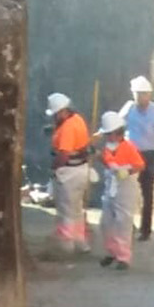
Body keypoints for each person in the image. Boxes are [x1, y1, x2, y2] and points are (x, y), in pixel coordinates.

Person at [95, 111, 145, 270]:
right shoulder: (109, 148)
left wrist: (126, 171)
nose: (108, 137)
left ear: (118, 133)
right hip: (112, 186)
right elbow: (108, 162)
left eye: (110, 134)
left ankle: (123, 257)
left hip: (126, 187)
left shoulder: (128, 147)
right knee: (106, 222)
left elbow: (139, 165)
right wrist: (98, 157)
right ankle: (111, 252)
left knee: (123, 222)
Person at [120, 76, 154, 241]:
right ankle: (127, 225)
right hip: (130, 154)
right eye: (138, 94)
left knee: (147, 192)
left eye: (144, 94)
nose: (141, 97)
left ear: (149, 95)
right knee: (126, 190)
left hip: (149, 154)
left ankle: (145, 230)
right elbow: (118, 126)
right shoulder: (129, 108)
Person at [46, 92, 91, 253]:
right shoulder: (77, 119)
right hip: (81, 169)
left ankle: (66, 245)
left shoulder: (67, 128)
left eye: (55, 115)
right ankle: (80, 242)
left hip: (68, 172)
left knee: (65, 209)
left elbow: (64, 154)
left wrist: (53, 167)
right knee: (77, 209)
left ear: (61, 112)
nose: (54, 118)